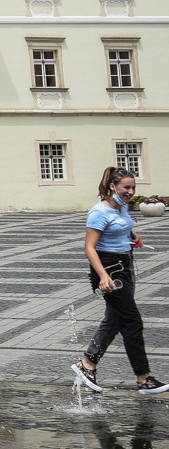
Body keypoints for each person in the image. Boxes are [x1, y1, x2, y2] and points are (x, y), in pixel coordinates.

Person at [74, 167, 165, 394]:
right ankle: (144, 378)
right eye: (126, 187)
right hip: (109, 269)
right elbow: (89, 248)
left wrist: (132, 236)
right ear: (113, 186)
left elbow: (120, 226)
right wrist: (103, 276)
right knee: (132, 321)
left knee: (114, 319)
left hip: (125, 265)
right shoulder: (98, 212)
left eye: (133, 187)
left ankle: (87, 365)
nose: (131, 192)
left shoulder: (122, 206)